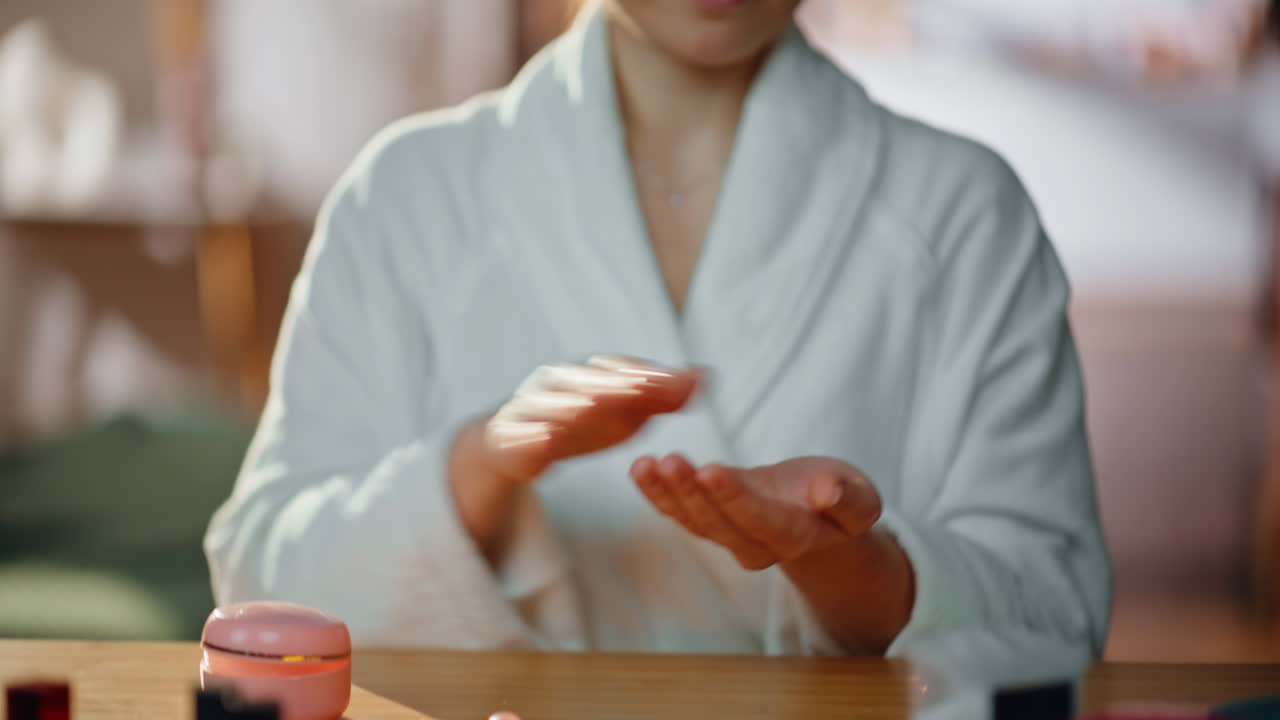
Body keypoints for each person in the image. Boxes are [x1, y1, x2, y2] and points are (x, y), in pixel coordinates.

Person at [204, 0, 1111, 656]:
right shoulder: (404, 194)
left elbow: (1058, 615)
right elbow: (259, 588)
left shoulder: (967, 212)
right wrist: (477, 466)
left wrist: (855, 568)